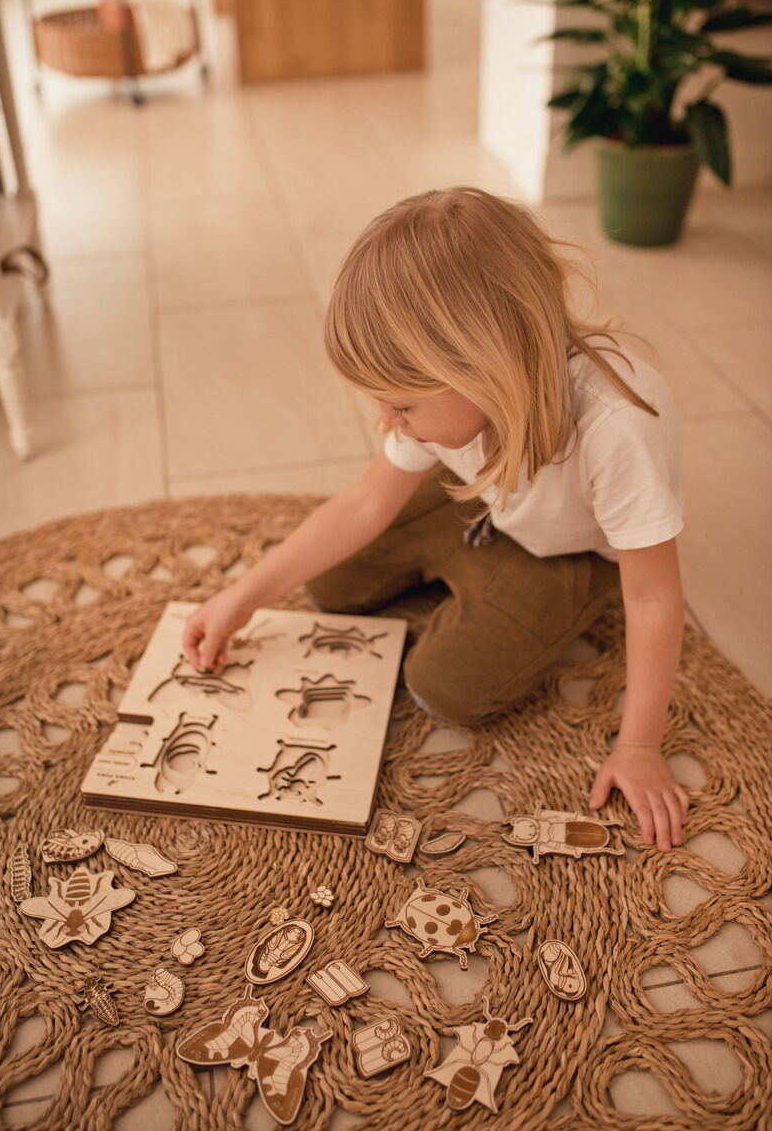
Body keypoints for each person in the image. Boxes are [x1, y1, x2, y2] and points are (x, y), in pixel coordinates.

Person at [182, 187, 689, 853]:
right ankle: (465, 560)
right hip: (481, 500)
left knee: (443, 687)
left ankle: (510, 589)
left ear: (488, 369)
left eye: (401, 407)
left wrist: (640, 745)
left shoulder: (617, 427)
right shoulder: (453, 402)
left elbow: (653, 596)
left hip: (569, 552)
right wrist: (242, 595)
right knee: (329, 585)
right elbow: (366, 502)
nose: (385, 421)